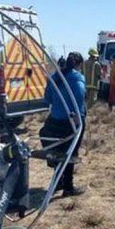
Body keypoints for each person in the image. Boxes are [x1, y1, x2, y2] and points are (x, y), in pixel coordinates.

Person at [40, 52, 87, 197]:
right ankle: (68, 187)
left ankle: (58, 180)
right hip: (72, 121)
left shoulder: (56, 76)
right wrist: (76, 114)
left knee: (57, 151)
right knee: (70, 153)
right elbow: (80, 96)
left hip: (55, 120)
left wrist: (58, 104)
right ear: (79, 64)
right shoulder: (77, 77)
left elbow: (47, 98)